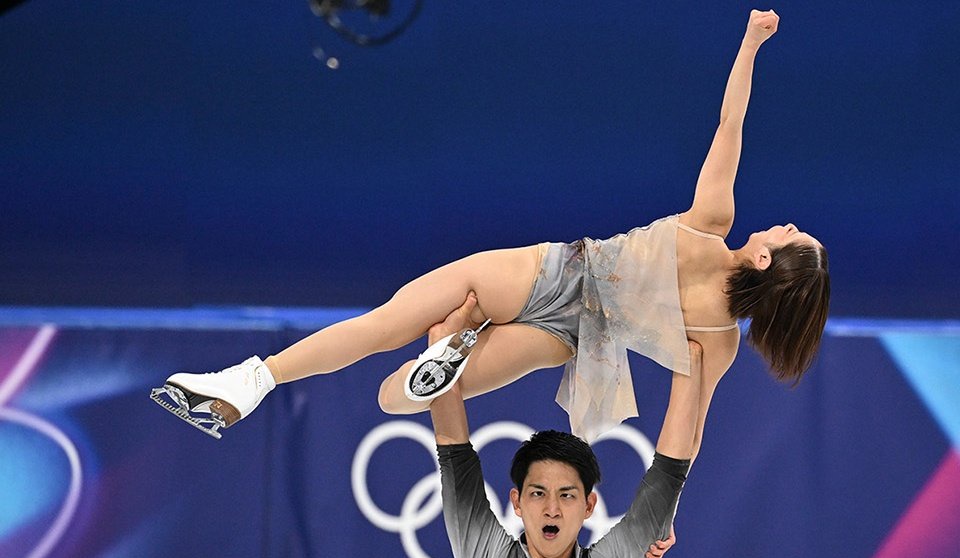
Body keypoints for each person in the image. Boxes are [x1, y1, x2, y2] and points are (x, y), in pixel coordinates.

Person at [152, 9, 829, 442]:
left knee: (382, 326)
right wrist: (662, 517)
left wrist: (751, 42)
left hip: (549, 273)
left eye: (793, 236)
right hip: (569, 342)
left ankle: (252, 381)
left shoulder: (711, 226)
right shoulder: (718, 341)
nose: (788, 224)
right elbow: (687, 435)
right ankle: (447, 351)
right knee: (397, 401)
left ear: (767, 260)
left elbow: (730, 123)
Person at [429, 293, 701, 558]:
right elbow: (455, 460)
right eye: (538, 493)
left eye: (567, 495)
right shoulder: (485, 557)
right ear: (517, 502)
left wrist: (691, 353)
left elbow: (668, 475)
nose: (552, 509)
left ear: (589, 506)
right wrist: (443, 341)